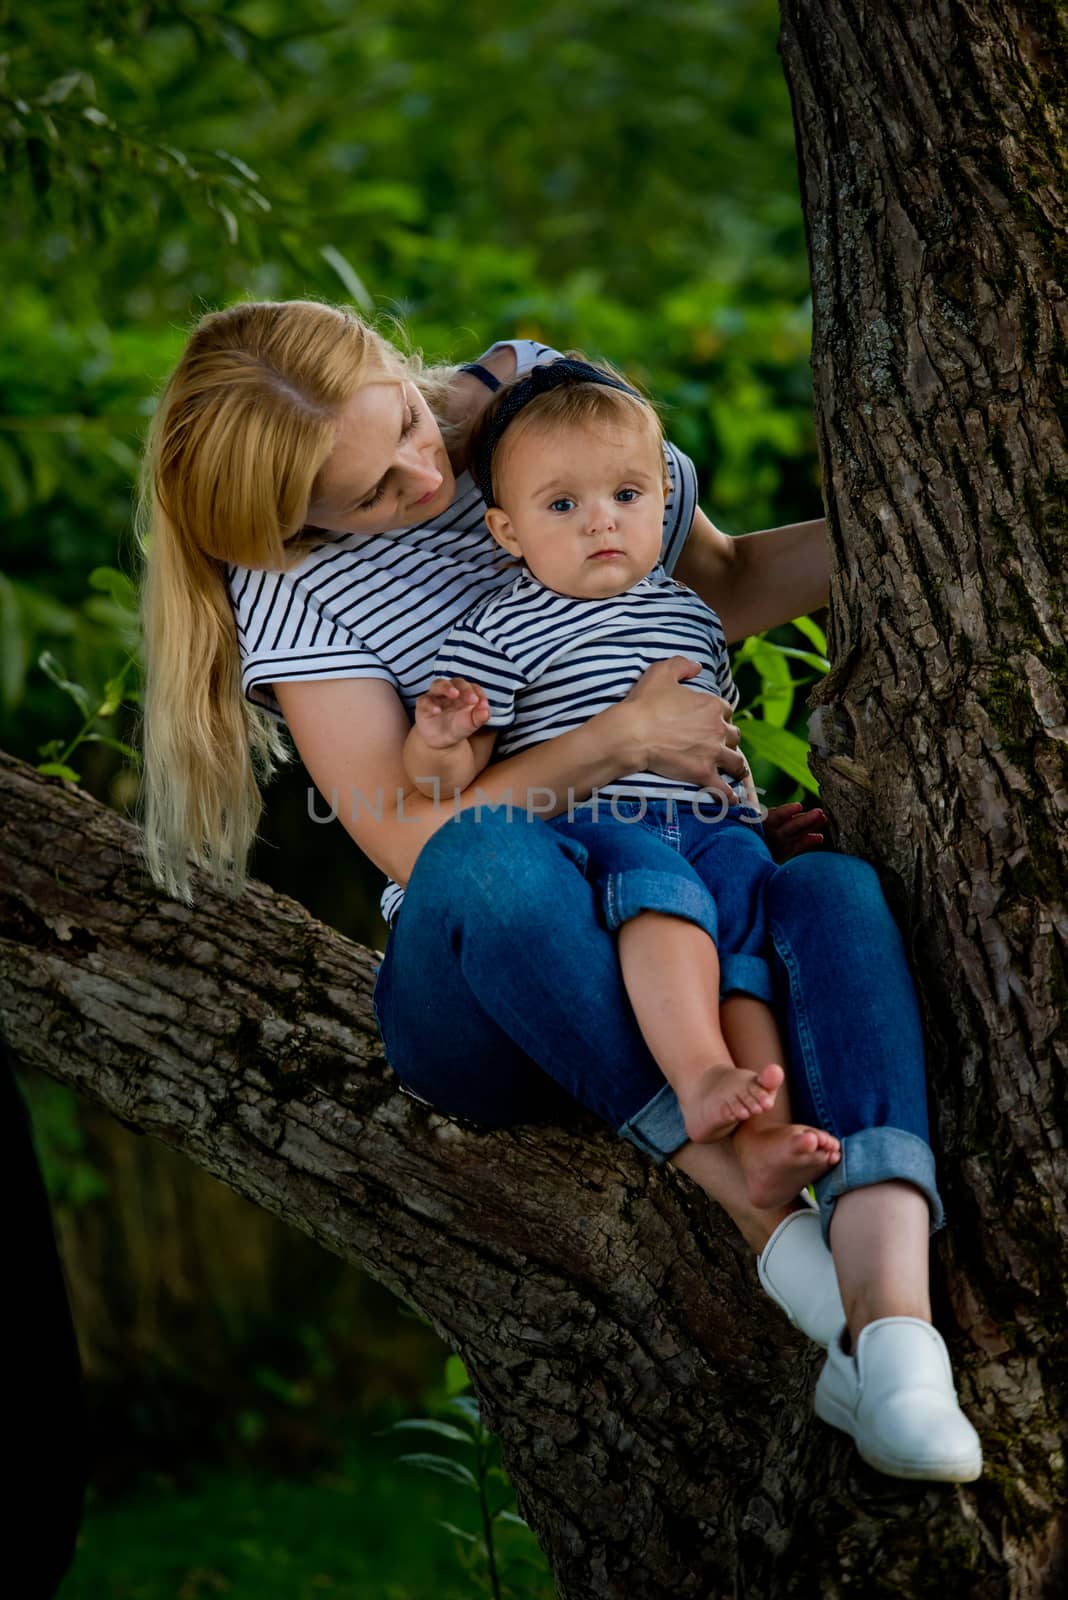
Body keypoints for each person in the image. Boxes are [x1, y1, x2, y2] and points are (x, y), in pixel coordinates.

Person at [137, 299, 982, 1482]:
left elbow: (721, 584)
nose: (422, 477)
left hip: (669, 875)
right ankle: (754, 1208)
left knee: (832, 890)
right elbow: (408, 841)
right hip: (496, 976)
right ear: (297, 524)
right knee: (491, 854)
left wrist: (942, 517)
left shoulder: (541, 399)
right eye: (373, 493)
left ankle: (896, 1339)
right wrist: (625, 738)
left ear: (392, 363)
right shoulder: (288, 580)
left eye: (410, 431)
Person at [402, 355, 843, 1212]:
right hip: (607, 827)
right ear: (507, 532)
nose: (601, 522)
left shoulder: (688, 609)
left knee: (746, 946)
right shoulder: (502, 627)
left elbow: (718, 736)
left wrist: (749, 823)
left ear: (665, 503)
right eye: (563, 505)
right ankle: (698, 1074)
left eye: (627, 496)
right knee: (667, 899)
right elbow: (439, 788)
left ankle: (765, 1138)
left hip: (715, 830)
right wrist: (439, 738)